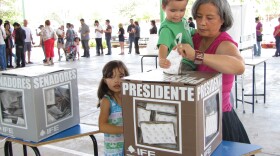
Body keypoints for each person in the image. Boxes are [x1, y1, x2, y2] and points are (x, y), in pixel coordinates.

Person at [176, 0, 250, 144]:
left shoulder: (224, 43)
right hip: (194, 116)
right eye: (198, 16)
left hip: (218, 119)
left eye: (209, 18)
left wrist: (198, 56)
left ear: (222, 19)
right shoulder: (194, 38)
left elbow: (239, 66)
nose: (202, 22)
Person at [97, 60, 129, 156]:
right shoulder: (107, 101)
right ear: (105, 80)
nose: (117, 80)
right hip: (114, 152)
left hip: (129, 148)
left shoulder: (129, 98)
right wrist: (126, 130)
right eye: (111, 77)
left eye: (121, 76)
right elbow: (102, 126)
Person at [158, 0, 196, 73]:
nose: (177, 15)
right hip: (180, 63)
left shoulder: (183, 21)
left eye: (182, 10)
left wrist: (199, 31)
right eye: (173, 11)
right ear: (163, 7)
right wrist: (162, 59)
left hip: (191, 61)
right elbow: (163, 46)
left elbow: (189, 30)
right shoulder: (166, 29)